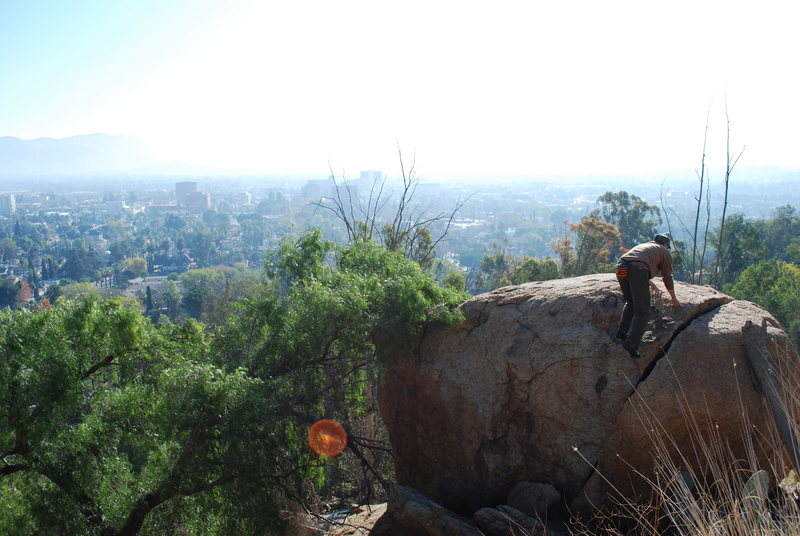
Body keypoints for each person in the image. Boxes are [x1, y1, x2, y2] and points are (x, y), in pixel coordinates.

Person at [614, 234, 681, 358]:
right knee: (643, 311)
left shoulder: (644, 246)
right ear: (665, 244)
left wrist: (652, 285)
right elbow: (667, 277)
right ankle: (631, 344)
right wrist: (673, 298)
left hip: (621, 267)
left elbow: (635, 265)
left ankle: (621, 333)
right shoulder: (664, 252)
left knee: (631, 302)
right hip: (637, 270)